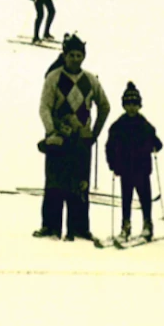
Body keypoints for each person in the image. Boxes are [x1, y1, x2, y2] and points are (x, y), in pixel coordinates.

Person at [35, 35, 111, 242]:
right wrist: (51, 132)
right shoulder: (54, 77)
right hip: (58, 139)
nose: (75, 59)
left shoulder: (90, 79)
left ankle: (79, 228)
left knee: (80, 184)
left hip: (81, 140)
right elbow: (44, 107)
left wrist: (94, 133)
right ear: (64, 55)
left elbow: (104, 105)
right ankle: (50, 227)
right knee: (54, 183)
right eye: (71, 55)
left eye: (79, 55)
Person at [105, 82, 163, 241]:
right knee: (126, 199)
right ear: (124, 105)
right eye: (128, 104)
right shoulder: (118, 126)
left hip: (142, 168)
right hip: (125, 169)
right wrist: (113, 164)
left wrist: (155, 146)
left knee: (145, 198)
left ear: (139, 105)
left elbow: (157, 142)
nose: (132, 107)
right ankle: (125, 226)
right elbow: (109, 146)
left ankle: (147, 225)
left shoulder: (145, 125)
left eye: (135, 104)